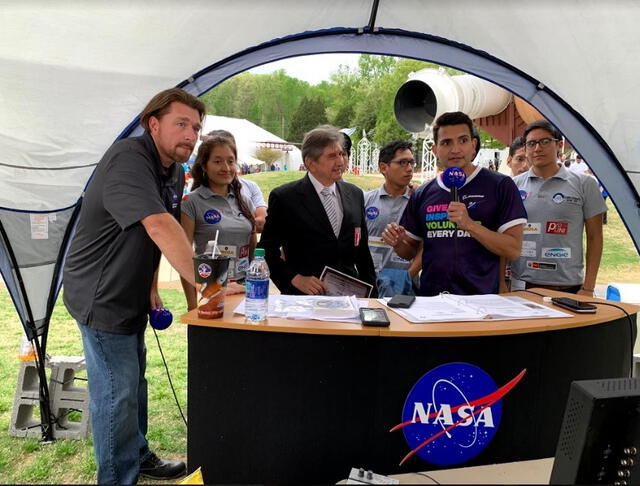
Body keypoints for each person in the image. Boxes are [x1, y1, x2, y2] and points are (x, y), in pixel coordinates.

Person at [63, 88, 205, 484]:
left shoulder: (174, 169)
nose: (191, 135)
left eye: (195, 127)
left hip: (131, 292)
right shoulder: (128, 159)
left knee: (134, 383)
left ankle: (138, 456)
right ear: (153, 124)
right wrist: (208, 285)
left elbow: (164, 229)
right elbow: (159, 225)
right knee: (116, 393)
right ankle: (116, 477)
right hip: (100, 294)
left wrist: (151, 284)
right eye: (181, 124)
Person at [382, 111, 526, 296]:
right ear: (435, 150)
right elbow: (409, 252)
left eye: (463, 140)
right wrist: (397, 242)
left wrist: (469, 225)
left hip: (482, 300)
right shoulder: (424, 193)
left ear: (473, 145)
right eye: (446, 143)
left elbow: (513, 249)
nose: (455, 149)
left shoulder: (500, 186)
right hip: (431, 300)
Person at [259, 126, 377, 296]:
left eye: (341, 154)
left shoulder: (355, 194)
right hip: (304, 302)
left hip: (350, 301)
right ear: (310, 163)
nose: (340, 162)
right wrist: (295, 278)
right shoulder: (285, 197)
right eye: (331, 156)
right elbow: (266, 251)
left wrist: (372, 299)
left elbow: (363, 253)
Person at [510, 120, 607, 296]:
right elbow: (506, 236)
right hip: (521, 285)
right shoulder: (513, 186)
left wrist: (588, 287)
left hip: (568, 286)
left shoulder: (585, 184)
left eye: (545, 141)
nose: (537, 148)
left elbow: (595, 238)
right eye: (531, 144)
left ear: (559, 145)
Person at [180, 136, 257, 309]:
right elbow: (184, 255)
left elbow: (253, 253)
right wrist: (192, 306)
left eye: (231, 161)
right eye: (217, 161)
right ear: (204, 165)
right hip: (211, 294)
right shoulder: (191, 202)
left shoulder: (244, 201)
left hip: (245, 293)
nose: (226, 168)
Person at [364, 140, 421, 296]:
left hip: (406, 287)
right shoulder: (365, 200)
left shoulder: (419, 202)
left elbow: (426, 247)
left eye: (411, 163)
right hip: (370, 286)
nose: (409, 169)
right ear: (384, 168)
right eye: (402, 163)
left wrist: (407, 278)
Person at [205, 129, 268, 232]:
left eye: (229, 160)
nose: (225, 167)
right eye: (217, 160)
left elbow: (262, 222)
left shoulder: (250, 189)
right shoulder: (195, 196)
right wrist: (243, 222)